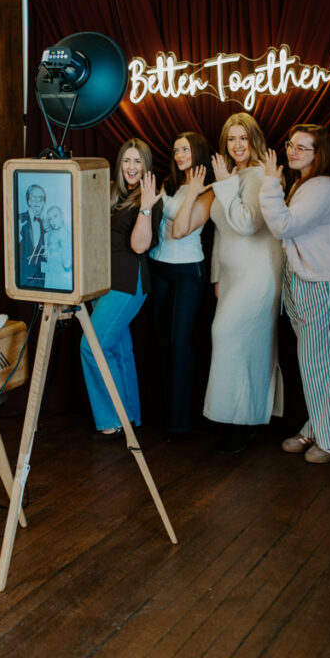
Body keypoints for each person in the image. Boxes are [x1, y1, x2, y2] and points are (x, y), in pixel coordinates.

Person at [172, 113, 283, 453]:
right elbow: (221, 230)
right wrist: (217, 276)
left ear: (254, 140)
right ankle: (235, 418)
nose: (237, 145)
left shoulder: (261, 175)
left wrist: (225, 185)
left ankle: (245, 420)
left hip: (258, 274)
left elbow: (247, 223)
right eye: (231, 139)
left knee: (235, 339)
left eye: (243, 138)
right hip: (232, 277)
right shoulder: (230, 177)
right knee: (236, 344)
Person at [259, 124, 330, 464]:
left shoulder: (322, 186)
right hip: (309, 280)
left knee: (321, 364)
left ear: (319, 154)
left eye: (302, 147)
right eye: (291, 144)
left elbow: (283, 226)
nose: (293, 151)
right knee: (320, 362)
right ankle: (317, 427)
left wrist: (270, 183)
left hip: (324, 282)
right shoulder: (305, 184)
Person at [81, 139, 162, 436]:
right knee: (117, 349)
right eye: (127, 160)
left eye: (137, 161)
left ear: (146, 165)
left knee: (92, 346)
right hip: (103, 281)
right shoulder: (113, 192)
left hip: (128, 283)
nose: (131, 167)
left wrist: (146, 208)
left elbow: (139, 246)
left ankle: (111, 420)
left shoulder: (150, 198)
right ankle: (128, 418)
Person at [149, 131, 212, 439]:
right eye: (176, 150)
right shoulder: (169, 183)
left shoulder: (208, 190)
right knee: (161, 341)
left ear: (197, 152)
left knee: (180, 344)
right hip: (158, 266)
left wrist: (193, 192)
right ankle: (163, 413)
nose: (179, 155)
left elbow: (180, 231)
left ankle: (180, 422)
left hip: (187, 270)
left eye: (185, 149)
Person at [18, 183, 47, 288]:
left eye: (41, 198)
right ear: (29, 201)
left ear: (44, 203)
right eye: (34, 197)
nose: (38, 201)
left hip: (40, 281)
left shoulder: (46, 223)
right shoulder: (18, 219)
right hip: (21, 280)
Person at [43, 205, 72, 290]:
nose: (52, 221)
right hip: (50, 279)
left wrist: (63, 242)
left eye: (55, 216)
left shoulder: (69, 236)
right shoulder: (47, 236)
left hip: (64, 280)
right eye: (50, 219)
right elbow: (47, 263)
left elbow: (67, 264)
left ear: (62, 216)